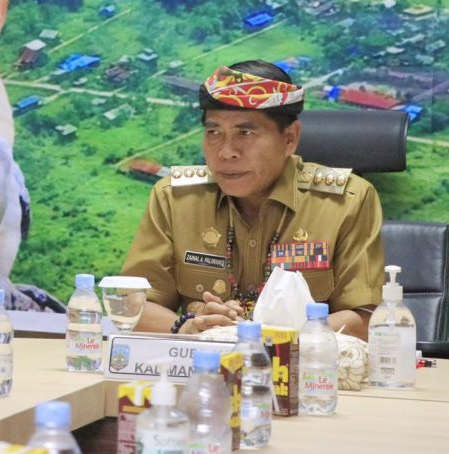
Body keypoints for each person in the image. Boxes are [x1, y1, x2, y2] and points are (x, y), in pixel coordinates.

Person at [121, 60, 383, 340]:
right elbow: (131, 306)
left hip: (303, 362)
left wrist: (271, 337)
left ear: (290, 138)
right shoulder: (175, 198)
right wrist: (188, 327)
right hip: (204, 362)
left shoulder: (347, 201)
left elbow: (366, 320)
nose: (226, 152)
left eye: (245, 133)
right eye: (214, 132)